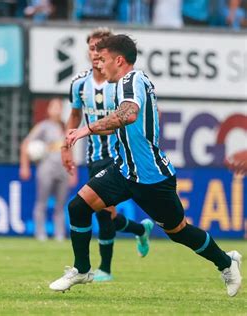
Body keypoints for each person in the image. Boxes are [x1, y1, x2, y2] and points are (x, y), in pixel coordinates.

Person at [50, 34, 242, 297]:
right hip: (123, 170)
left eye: (103, 59)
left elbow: (129, 113)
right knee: (79, 206)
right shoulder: (117, 84)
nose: (99, 65)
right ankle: (82, 269)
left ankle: (225, 262)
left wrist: (86, 130)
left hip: (151, 177)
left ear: (119, 60)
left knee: (179, 232)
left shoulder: (132, 80)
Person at [62, 28, 153, 282]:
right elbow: (74, 115)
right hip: (94, 154)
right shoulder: (79, 83)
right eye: (91, 48)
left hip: (118, 154)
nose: (95, 54)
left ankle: (105, 269)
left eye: (99, 49)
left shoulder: (121, 84)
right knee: (105, 212)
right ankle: (139, 229)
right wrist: (64, 147)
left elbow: (130, 114)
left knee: (102, 211)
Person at [19, 98, 74, 241]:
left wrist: (73, 171)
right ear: (49, 110)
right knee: (41, 202)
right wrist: (24, 166)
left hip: (63, 169)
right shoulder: (43, 126)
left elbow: (69, 150)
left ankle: (60, 234)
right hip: (46, 167)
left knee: (61, 204)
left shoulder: (65, 127)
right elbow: (26, 144)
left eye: (59, 107)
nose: (56, 110)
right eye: (53, 107)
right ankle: (40, 233)